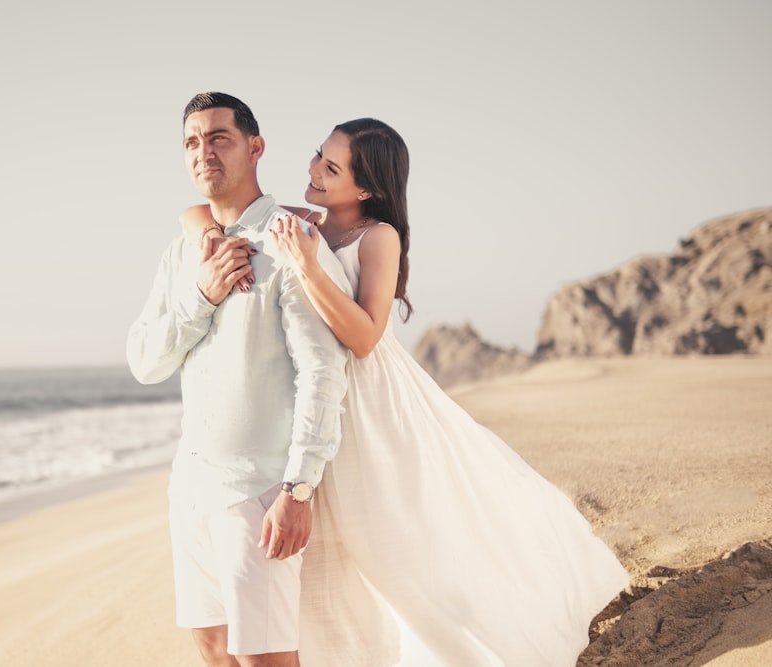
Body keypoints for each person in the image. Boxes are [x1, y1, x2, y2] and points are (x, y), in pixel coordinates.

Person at [180, 118, 630, 666]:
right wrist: (208, 235)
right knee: (330, 558)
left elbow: (366, 337)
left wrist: (305, 266)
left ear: (365, 188)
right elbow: (198, 211)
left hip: (372, 405)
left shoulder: (377, 236)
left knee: (400, 547)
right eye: (317, 156)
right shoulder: (305, 220)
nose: (313, 170)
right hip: (322, 406)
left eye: (331, 167)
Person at [126, 92, 355, 667]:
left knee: (264, 659)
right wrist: (199, 295)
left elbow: (322, 372)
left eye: (219, 137)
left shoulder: (291, 245)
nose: (204, 152)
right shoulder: (181, 256)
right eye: (191, 142)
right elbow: (144, 361)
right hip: (192, 488)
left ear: (256, 148)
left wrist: (298, 488)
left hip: (258, 492)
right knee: (211, 648)